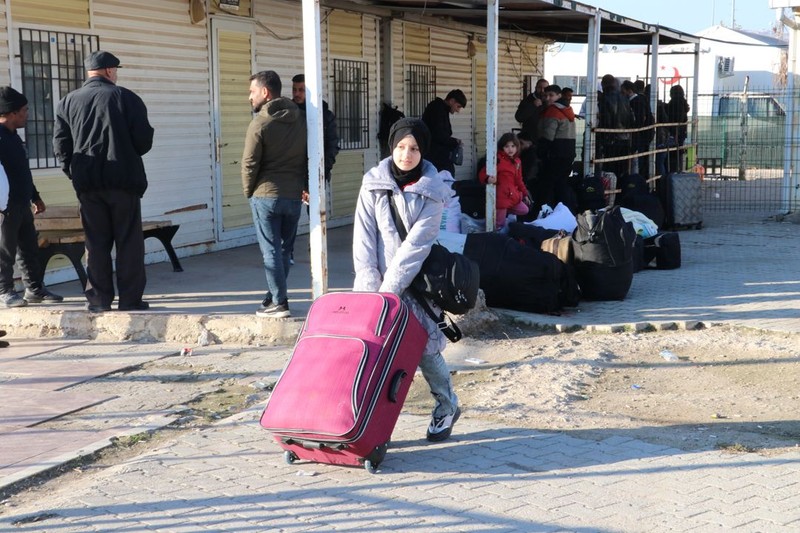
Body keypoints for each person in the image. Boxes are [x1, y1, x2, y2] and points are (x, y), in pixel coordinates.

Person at [352, 117, 460, 442]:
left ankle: (447, 405)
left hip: (415, 285)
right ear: (391, 147)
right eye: (400, 147)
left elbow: (416, 247)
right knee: (375, 353)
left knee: (426, 351)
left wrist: (390, 292)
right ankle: (370, 422)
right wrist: (369, 289)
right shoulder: (372, 184)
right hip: (378, 289)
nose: (406, 154)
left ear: (423, 151)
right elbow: (364, 239)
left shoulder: (433, 193)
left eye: (413, 148)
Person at [54, 51, 153, 313]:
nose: (117, 74)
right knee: (128, 242)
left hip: (88, 185)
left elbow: (61, 146)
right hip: (123, 183)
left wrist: (74, 174)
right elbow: (143, 142)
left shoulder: (67, 102)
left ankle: (98, 300)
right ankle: (130, 300)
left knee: (95, 244)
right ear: (109, 71)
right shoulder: (126, 98)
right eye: (116, 70)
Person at [242, 70, 306, 319]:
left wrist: (249, 192)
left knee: (270, 252)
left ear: (265, 92)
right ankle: (274, 296)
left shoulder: (260, 122)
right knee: (283, 251)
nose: (250, 97)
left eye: (252, 91)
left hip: (266, 195)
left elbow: (249, 162)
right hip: (293, 197)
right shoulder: (300, 119)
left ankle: (279, 302)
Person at [0, 87, 62, 308]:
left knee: (28, 248)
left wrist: (35, 197)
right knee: (4, 250)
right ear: (12, 112)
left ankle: (34, 289)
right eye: (25, 110)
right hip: (4, 207)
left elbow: (22, 171)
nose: (28, 114)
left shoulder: (14, 138)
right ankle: (4, 291)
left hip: (22, 203)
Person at [536, 85, 577, 214]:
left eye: (551, 95)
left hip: (554, 154)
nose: (547, 98)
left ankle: (545, 212)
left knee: (547, 185)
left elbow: (548, 136)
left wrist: (540, 152)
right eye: (545, 95)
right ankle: (567, 212)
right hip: (568, 153)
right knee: (562, 185)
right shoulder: (568, 110)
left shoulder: (552, 111)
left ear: (559, 96)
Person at [291, 74, 339, 183]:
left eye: (301, 90)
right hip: (292, 177)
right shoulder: (288, 113)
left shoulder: (325, 115)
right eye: (294, 90)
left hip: (316, 173)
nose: (296, 93)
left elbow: (332, 146)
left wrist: (322, 171)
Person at [478, 132, 530, 229]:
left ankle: (504, 214)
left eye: (513, 146)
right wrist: (488, 179)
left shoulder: (517, 161)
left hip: (513, 196)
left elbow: (519, 180)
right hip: (501, 198)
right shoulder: (497, 160)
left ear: (517, 147)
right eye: (507, 146)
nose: (510, 149)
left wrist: (525, 193)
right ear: (502, 147)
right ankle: (495, 239)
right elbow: (482, 173)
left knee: (524, 210)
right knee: (499, 225)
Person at [421, 89, 466, 175]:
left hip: (436, 156)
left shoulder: (441, 109)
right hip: (435, 157)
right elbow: (439, 135)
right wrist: (454, 142)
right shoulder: (437, 109)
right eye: (458, 106)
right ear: (452, 101)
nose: (458, 110)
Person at [597, 74, 634, 178]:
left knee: (609, 169)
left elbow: (606, 120)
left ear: (603, 85)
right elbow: (631, 118)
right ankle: (622, 191)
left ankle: (610, 192)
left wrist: (603, 136)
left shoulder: (604, 99)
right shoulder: (624, 97)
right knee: (622, 169)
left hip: (611, 138)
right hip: (625, 137)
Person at [515, 78, 549, 186]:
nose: (542, 90)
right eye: (540, 87)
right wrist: (533, 106)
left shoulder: (549, 102)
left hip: (544, 141)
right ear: (535, 88)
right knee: (529, 170)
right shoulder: (528, 101)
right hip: (529, 141)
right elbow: (519, 117)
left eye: (545, 88)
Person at [621, 80, 654, 178]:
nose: (622, 94)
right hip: (645, 134)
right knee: (641, 159)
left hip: (640, 135)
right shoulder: (642, 99)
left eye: (623, 91)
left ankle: (638, 179)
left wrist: (634, 128)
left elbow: (640, 118)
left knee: (638, 160)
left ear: (629, 90)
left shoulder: (636, 102)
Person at [666, 84, 690, 173]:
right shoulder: (683, 103)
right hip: (682, 132)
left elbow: (673, 117)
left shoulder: (674, 103)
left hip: (674, 132)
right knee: (679, 152)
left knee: (673, 154)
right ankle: (679, 171)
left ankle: (674, 172)